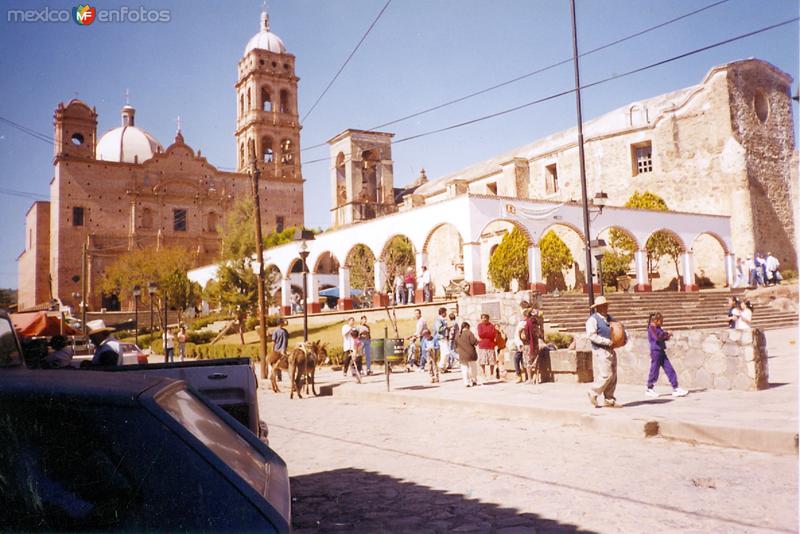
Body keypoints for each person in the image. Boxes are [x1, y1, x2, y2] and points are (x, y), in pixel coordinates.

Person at [645, 313, 688, 398]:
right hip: (656, 351)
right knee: (654, 370)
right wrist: (666, 334)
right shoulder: (651, 328)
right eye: (661, 321)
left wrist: (667, 335)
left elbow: (662, 336)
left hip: (661, 351)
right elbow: (657, 337)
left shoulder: (658, 328)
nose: (662, 322)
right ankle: (649, 388)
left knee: (669, 369)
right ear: (656, 320)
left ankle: (676, 388)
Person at [586, 296, 618, 408]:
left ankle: (609, 399)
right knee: (606, 374)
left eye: (606, 305)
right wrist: (606, 341)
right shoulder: (593, 320)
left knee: (613, 375)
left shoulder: (610, 318)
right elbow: (591, 335)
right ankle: (593, 391)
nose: (605, 308)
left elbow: (618, 328)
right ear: (598, 307)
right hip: (601, 349)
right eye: (603, 306)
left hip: (611, 349)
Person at [455, 321, 479, 387]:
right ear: (467, 326)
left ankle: (466, 382)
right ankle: (474, 380)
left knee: (464, 368)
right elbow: (474, 342)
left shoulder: (457, 334)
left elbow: (455, 345)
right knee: (473, 368)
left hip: (462, 354)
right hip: (470, 353)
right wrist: (477, 341)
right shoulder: (469, 333)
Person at [523, 306, 542, 384]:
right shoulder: (536, 322)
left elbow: (526, 334)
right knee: (535, 361)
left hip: (528, 344)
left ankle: (530, 378)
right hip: (536, 343)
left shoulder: (528, 323)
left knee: (528, 361)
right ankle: (536, 378)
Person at [476, 313, 497, 381]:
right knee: (483, 361)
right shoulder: (479, 325)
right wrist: (487, 333)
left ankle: (491, 374)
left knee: (492, 361)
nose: (484, 319)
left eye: (485, 318)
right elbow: (480, 334)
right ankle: (483, 374)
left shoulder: (491, 325)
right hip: (482, 346)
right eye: (482, 318)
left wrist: (485, 334)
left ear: (488, 319)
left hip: (491, 345)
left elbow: (493, 334)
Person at [512, 310, 529, 383]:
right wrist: (519, 344)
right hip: (521, 344)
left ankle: (525, 376)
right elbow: (517, 335)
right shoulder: (522, 323)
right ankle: (519, 375)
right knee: (517, 358)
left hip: (526, 344)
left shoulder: (525, 323)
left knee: (523, 360)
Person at [432, 307, 448, 371]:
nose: (446, 313)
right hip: (440, 338)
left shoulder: (442, 319)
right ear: (442, 313)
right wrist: (445, 327)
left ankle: (443, 366)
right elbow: (439, 329)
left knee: (444, 352)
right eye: (445, 312)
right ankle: (441, 365)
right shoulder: (439, 320)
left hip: (443, 337)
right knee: (446, 352)